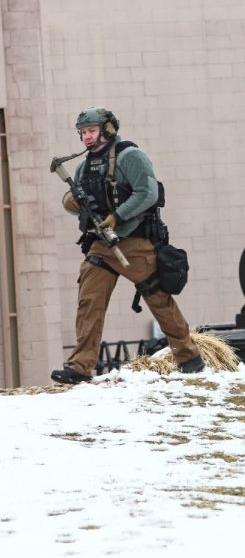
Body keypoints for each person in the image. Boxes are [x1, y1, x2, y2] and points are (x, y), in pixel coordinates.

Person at [51, 107, 204, 384]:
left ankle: (189, 357)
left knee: (158, 298)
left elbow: (148, 193)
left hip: (134, 241)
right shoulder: (83, 166)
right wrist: (72, 203)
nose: (87, 137)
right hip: (101, 245)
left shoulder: (130, 157)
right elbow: (82, 204)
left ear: (108, 129)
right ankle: (80, 366)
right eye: (83, 132)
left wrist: (117, 217)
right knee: (89, 302)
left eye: (92, 131)